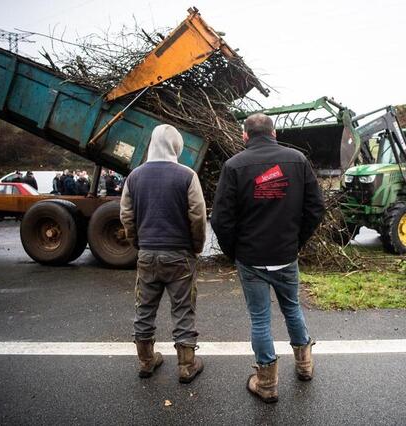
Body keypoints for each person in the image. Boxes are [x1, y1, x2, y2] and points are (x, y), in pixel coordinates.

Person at [211, 113, 325, 403]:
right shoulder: (297, 160)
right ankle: (305, 366)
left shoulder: (234, 166)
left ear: (245, 136)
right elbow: (316, 208)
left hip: (251, 259)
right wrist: (296, 242)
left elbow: (222, 219)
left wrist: (233, 252)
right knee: (292, 309)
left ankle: (266, 384)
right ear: (274, 133)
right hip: (286, 255)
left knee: (260, 319)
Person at [120, 124, 207, 383]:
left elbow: (126, 215)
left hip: (147, 253)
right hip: (180, 254)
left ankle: (146, 361)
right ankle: (186, 365)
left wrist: (138, 243)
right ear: (176, 146)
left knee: (144, 308)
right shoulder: (187, 175)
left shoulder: (134, 176)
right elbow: (198, 216)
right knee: (183, 309)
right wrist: (196, 246)